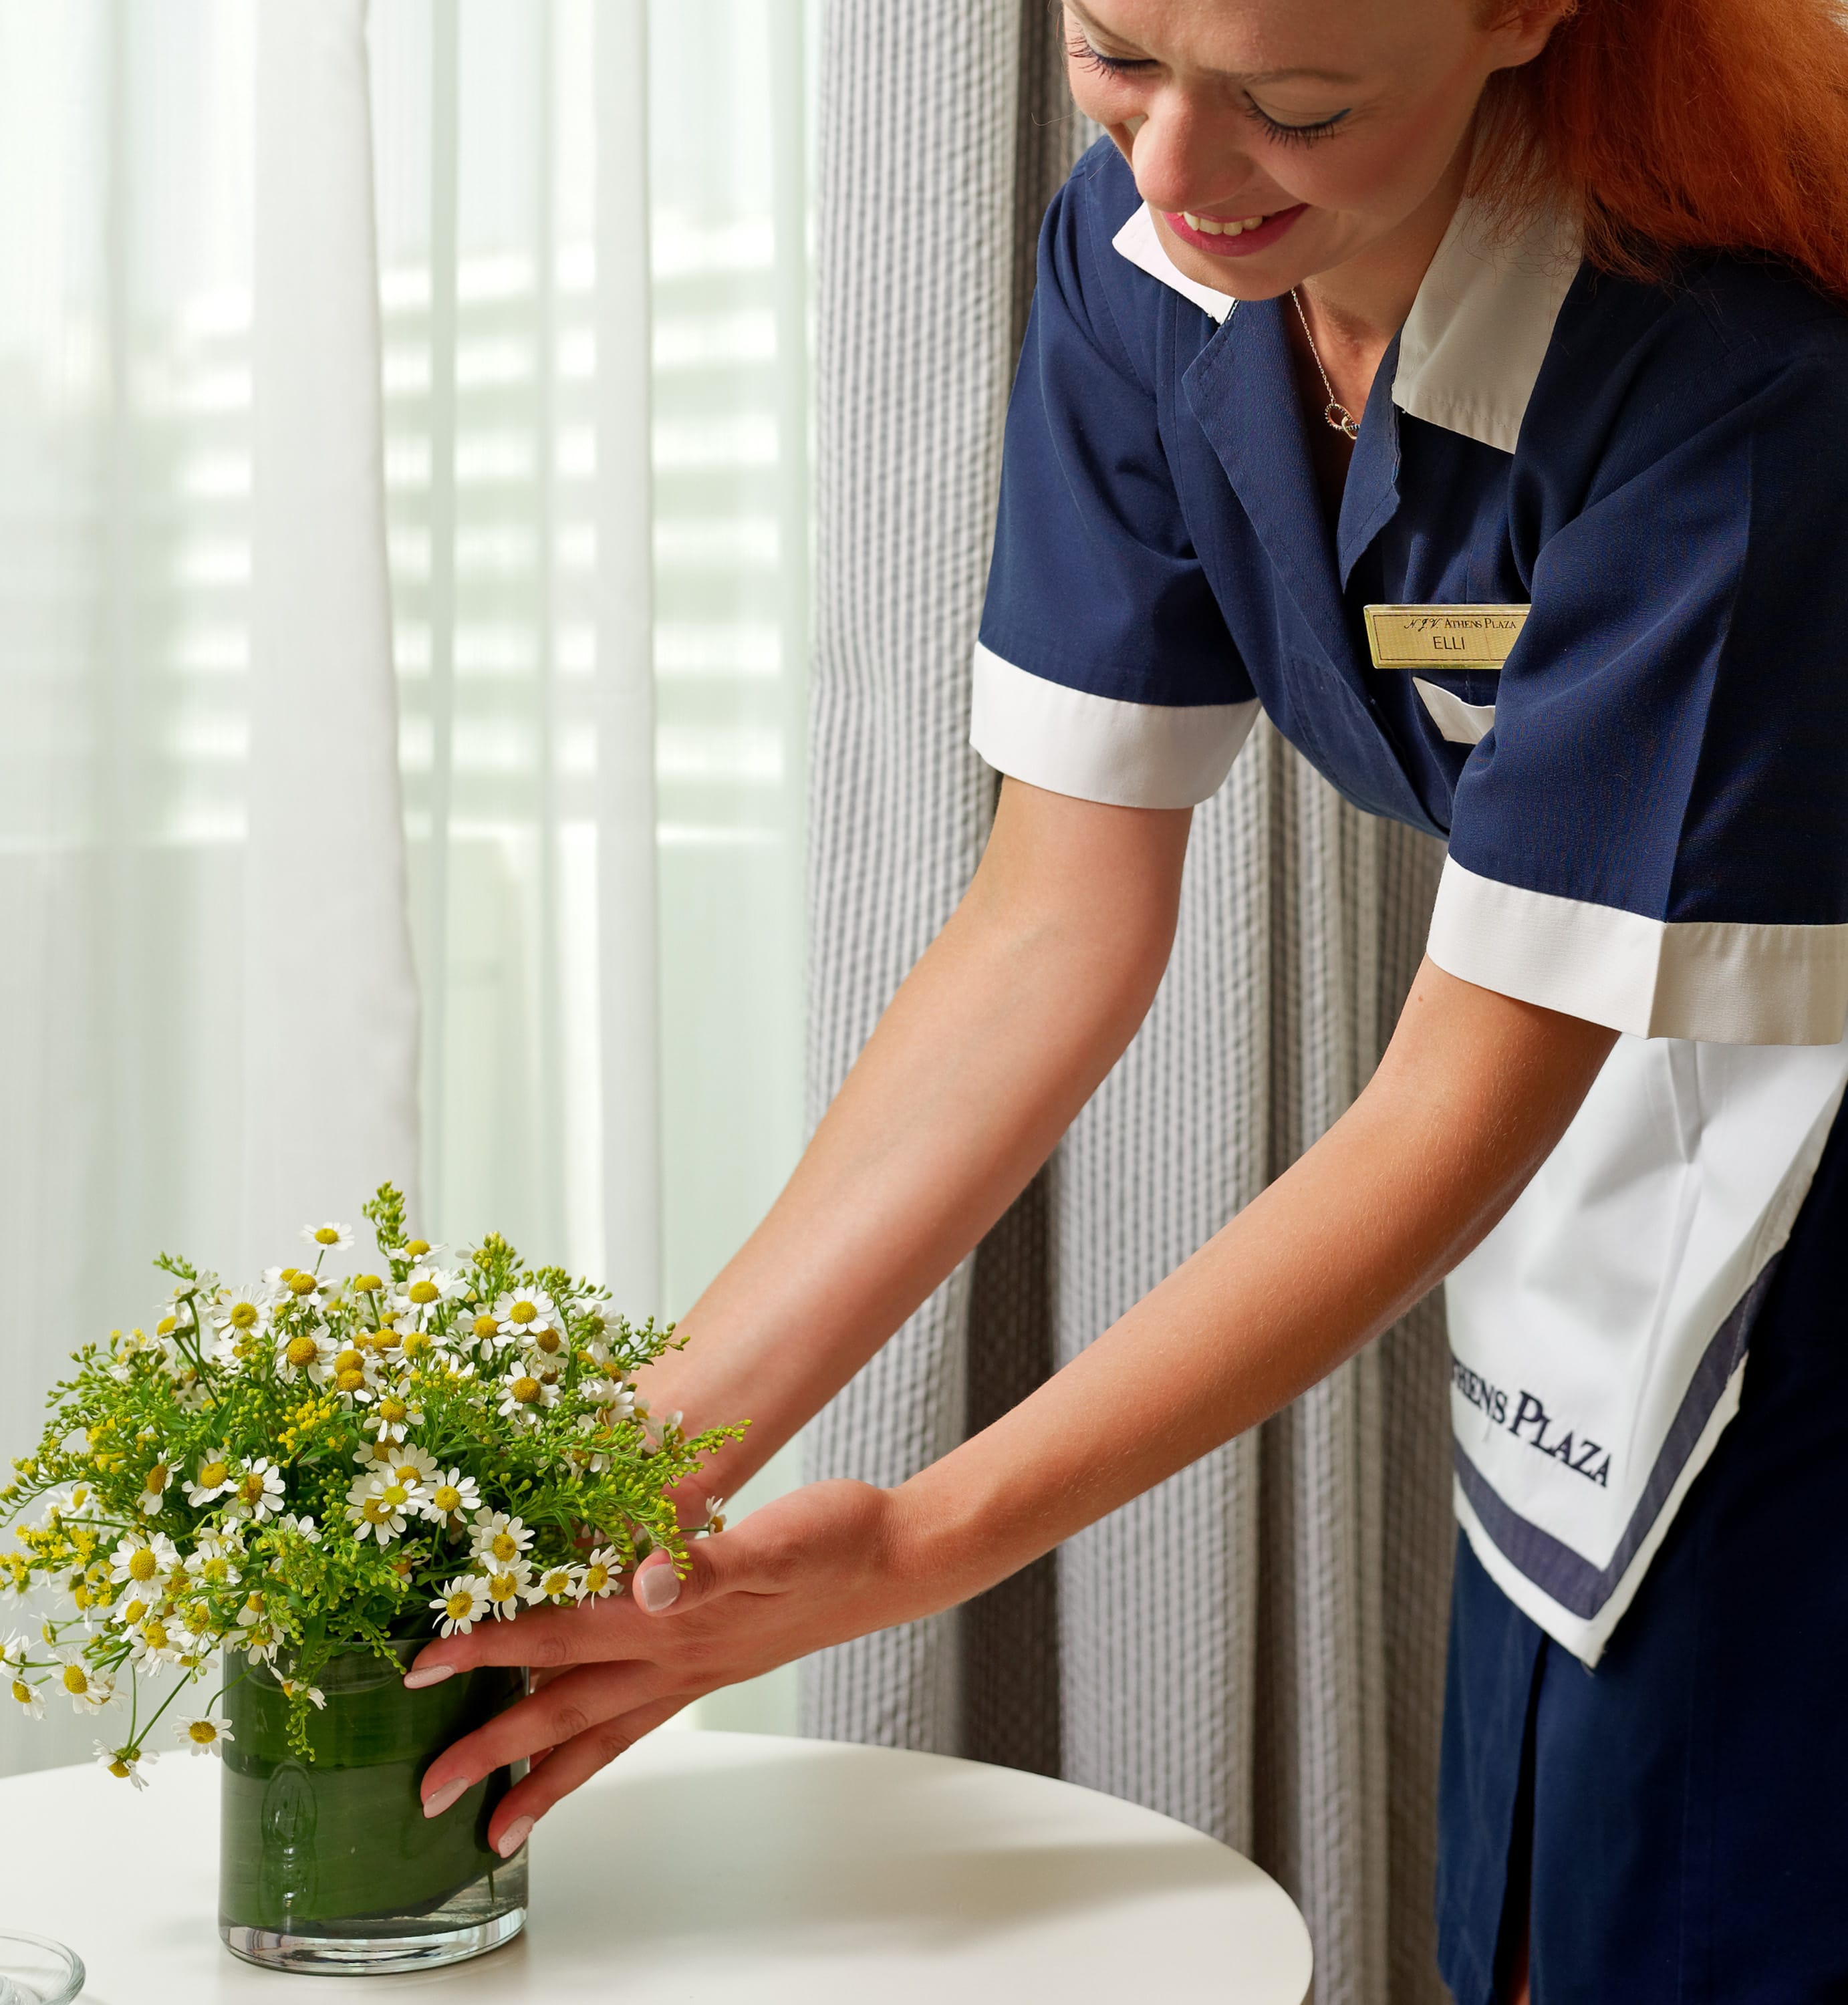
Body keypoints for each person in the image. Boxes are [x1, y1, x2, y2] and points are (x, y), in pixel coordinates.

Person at [407, 1, 1848, 1996]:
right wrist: (622, 1463)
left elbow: (1454, 1099)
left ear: (1524, 15)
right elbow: (1053, 923)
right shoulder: (1154, 270)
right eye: (1116, 55)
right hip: (1591, 1171)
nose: (1175, 168)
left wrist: (920, 1545)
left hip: (1796, 1214)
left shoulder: (1736, 388)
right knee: (1538, 1898)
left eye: (1295, 106)